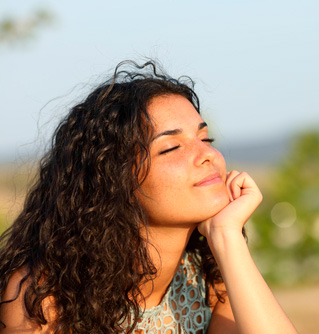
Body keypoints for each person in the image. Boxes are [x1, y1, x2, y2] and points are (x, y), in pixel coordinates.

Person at [0, 60, 298, 334]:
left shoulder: (209, 277)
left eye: (206, 139)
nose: (207, 155)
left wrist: (226, 236)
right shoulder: (44, 298)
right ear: (114, 180)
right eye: (171, 147)